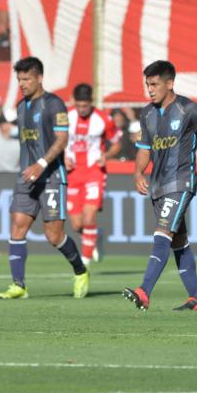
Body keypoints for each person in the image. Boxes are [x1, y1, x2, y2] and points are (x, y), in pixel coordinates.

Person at [123, 60, 197, 311]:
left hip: (181, 182)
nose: (150, 89)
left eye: (154, 84)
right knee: (178, 240)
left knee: (162, 233)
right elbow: (144, 149)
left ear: (170, 83)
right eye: (147, 84)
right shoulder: (147, 113)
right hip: (158, 186)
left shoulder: (189, 109)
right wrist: (138, 171)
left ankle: (144, 291)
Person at [0, 57, 90, 300]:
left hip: (51, 176)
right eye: (19, 79)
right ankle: (19, 285)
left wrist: (41, 163)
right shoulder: (20, 106)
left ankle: (80, 271)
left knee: (54, 236)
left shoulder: (54, 104)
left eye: (26, 79)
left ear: (39, 78)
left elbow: (62, 140)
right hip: (27, 177)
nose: (22, 84)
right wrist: (29, 167)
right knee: (17, 226)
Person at [65, 84, 121, 266]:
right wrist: (63, 157)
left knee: (89, 217)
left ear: (91, 102)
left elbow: (117, 143)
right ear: (74, 102)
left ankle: (85, 262)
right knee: (76, 225)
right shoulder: (65, 117)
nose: (82, 109)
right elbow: (55, 141)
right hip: (72, 174)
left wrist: (107, 155)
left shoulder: (103, 119)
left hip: (94, 172)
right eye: (79, 105)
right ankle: (94, 237)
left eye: (85, 106)